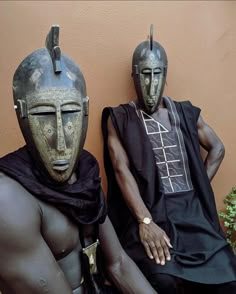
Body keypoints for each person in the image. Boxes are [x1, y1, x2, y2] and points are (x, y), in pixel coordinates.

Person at [0, 25, 157, 294]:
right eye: (44, 115)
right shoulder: (8, 199)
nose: (61, 142)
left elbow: (118, 263)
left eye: (71, 112)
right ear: (22, 115)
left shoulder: (84, 172)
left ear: (85, 111)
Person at [102, 25, 236, 294]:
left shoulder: (185, 113)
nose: (151, 83)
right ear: (134, 76)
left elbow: (218, 148)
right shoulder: (121, 118)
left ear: (165, 76)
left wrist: (199, 187)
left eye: (157, 74)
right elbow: (120, 169)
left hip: (192, 212)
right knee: (163, 279)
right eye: (144, 75)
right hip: (152, 210)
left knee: (229, 276)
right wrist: (145, 222)